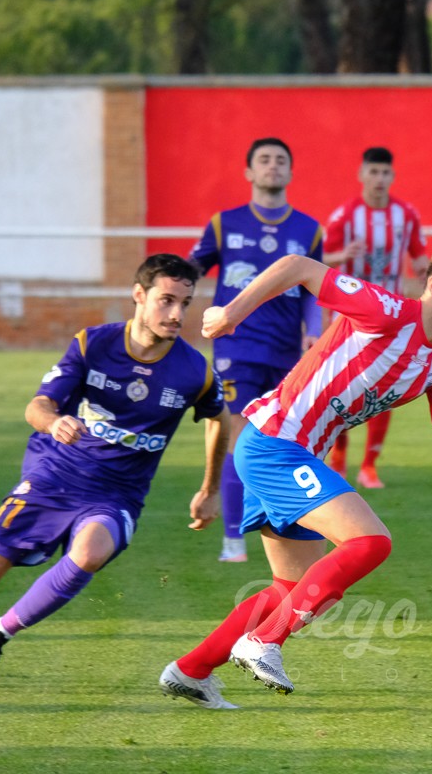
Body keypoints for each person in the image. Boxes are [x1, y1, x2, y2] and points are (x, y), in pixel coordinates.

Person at [158, 247, 432, 709]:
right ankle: (263, 642)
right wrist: (231, 314)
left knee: (290, 590)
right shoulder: (385, 311)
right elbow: (298, 266)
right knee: (371, 542)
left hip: (290, 452)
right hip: (275, 444)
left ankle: (190, 670)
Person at [0, 254, 230, 689]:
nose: (178, 314)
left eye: (186, 302)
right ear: (139, 296)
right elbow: (37, 406)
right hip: (54, 477)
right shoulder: (92, 344)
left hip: (117, 495)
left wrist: (210, 488)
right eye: (167, 300)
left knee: (89, 552)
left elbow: (219, 417)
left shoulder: (193, 370)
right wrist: (54, 421)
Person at [189, 137, 323, 563]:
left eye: (280, 160)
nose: (272, 166)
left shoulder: (309, 229)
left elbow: (312, 290)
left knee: (281, 441)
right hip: (237, 347)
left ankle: (282, 528)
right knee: (235, 434)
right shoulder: (223, 224)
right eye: (264, 160)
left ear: (291, 172)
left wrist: (313, 330)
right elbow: (190, 269)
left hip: (287, 352)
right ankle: (233, 541)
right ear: (248, 172)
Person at [322, 146, 429, 489]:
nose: (379, 179)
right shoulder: (345, 215)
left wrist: (426, 270)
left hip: (393, 313)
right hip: (350, 315)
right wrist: (343, 254)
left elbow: (419, 254)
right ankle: (338, 460)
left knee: (385, 386)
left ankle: (369, 466)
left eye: (385, 173)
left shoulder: (406, 214)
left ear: (392, 176)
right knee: (342, 384)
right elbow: (320, 259)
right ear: (361, 175)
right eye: (373, 172)